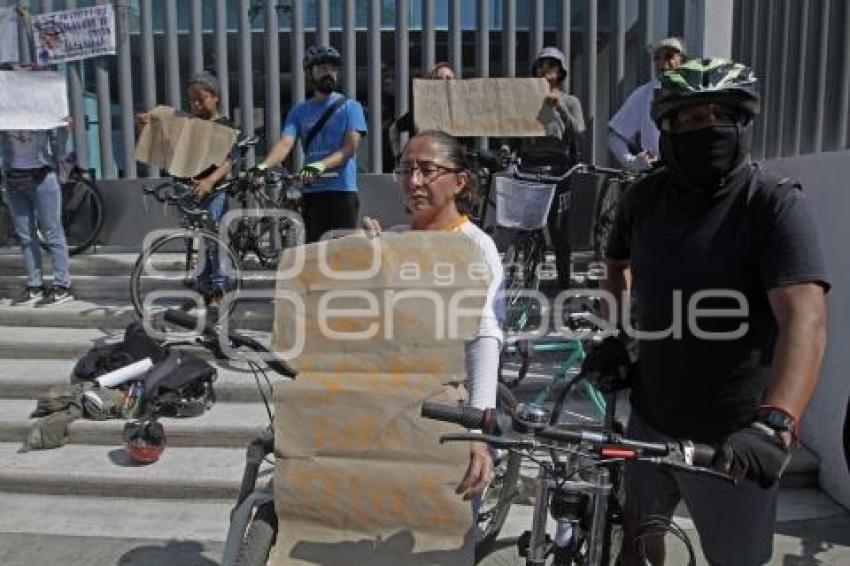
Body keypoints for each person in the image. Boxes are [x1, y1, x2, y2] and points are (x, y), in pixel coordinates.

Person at [586, 59, 829, 565]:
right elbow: (615, 267)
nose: (708, 128)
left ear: (743, 124)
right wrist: (614, 337)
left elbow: (805, 318)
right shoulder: (644, 197)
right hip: (650, 421)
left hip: (735, 440)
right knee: (635, 542)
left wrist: (777, 422)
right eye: (692, 119)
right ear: (667, 128)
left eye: (722, 115)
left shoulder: (771, 204)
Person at [362, 130, 505, 500]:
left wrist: (477, 435)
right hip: (391, 407)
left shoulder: (475, 247)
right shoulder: (392, 240)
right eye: (406, 169)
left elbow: (483, 337)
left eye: (427, 170)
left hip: (448, 409)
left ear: (459, 182)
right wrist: (360, 259)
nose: (413, 182)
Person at [137, 72, 238, 310]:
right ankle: (203, 288)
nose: (195, 104)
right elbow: (163, 147)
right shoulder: (185, 125)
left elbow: (231, 160)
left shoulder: (226, 126)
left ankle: (220, 286)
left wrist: (210, 182)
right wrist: (144, 128)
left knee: (216, 240)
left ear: (215, 98)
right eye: (192, 100)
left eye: (201, 99)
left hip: (214, 191)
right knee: (196, 242)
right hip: (188, 191)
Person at [256, 45, 367, 244]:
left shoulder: (351, 107)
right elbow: (284, 144)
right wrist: (262, 166)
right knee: (315, 252)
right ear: (309, 73)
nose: (329, 73)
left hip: (341, 191)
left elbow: (350, 148)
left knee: (342, 251)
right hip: (312, 192)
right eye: (322, 68)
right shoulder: (299, 110)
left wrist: (320, 165)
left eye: (333, 68)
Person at [1, 82, 74, 307]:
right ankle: (35, 285)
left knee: (52, 232)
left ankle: (62, 285)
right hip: (13, 178)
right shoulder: (5, 113)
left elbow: (58, 145)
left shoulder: (42, 112)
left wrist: (63, 129)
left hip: (42, 177)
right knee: (25, 235)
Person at [518, 46, 585, 289]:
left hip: (558, 168)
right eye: (541, 65)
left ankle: (564, 280)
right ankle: (527, 277)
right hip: (529, 165)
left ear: (560, 71)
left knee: (558, 226)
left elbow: (578, 131)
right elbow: (511, 128)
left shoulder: (570, 100)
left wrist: (561, 108)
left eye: (551, 65)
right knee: (528, 225)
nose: (545, 69)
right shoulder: (526, 101)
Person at [608, 37, 686, 173]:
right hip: (657, 173)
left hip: (689, 172)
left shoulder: (694, 92)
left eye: (669, 56)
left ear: (682, 60)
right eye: (657, 58)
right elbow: (615, 136)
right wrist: (632, 162)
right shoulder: (644, 94)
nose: (663, 63)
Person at [388, 62, 456, 161]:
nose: (444, 82)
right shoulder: (421, 111)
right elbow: (393, 130)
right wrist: (399, 157)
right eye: (439, 79)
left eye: (449, 78)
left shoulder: (459, 112)